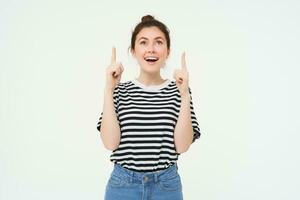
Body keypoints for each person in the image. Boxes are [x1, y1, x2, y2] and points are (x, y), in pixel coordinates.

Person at [97, 14, 201, 200]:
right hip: (123, 186)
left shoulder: (179, 90)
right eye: (143, 42)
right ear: (133, 51)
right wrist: (108, 89)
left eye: (158, 42)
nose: (151, 49)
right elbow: (110, 143)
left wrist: (184, 95)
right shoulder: (119, 91)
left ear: (168, 51)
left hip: (166, 186)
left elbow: (183, 146)